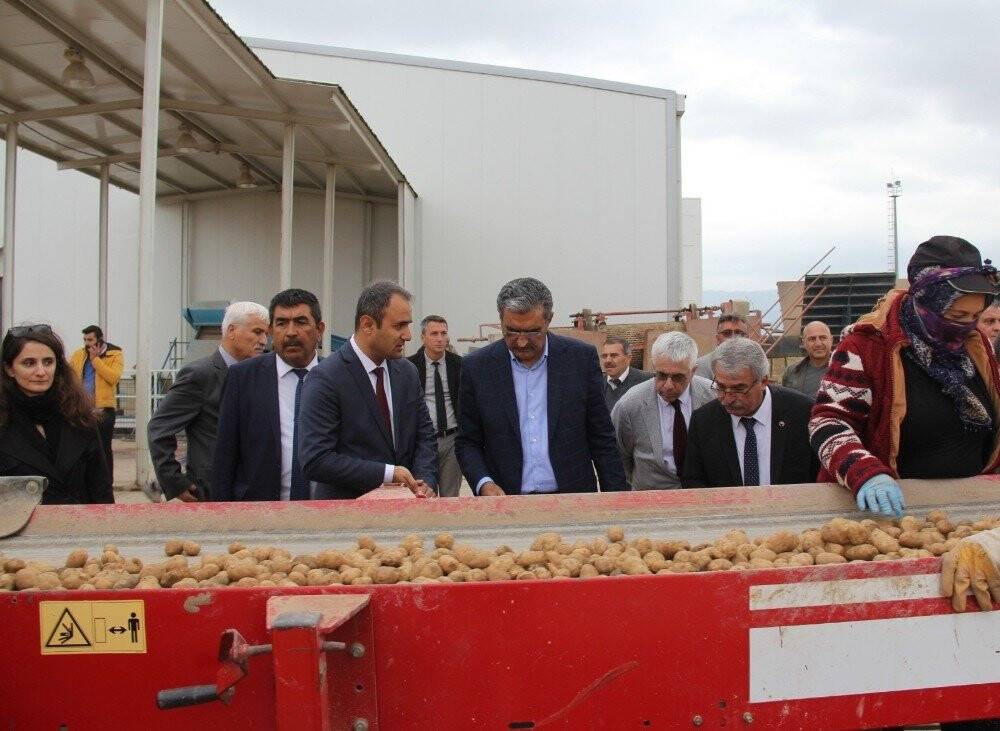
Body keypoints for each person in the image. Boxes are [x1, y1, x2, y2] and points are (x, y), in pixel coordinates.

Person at [810, 235, 1000, 518]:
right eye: (957, 315)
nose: (967, 326)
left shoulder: (976, 345)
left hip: (970, 507)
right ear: (926, 303)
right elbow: (828, 421)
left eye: (975, 316)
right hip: (888, 510)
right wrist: (865, 472)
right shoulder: (867, 347)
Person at [455, 277, 627, 495]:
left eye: (532, 331)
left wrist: (615, 499)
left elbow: (601, 436)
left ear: (549, 320)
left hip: (573, 498)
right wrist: (484, 483)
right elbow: (467, 442)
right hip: (505, 500)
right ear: (501, 320)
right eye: (512, 331)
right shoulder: (478, 368)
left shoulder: (579, 360)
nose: (521, 341)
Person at [299, 281, 437, 498]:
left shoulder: (407, 372)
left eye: (408, 325)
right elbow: (316, 459)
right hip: (349, 512)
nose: (408, 335)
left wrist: (424, 481)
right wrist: (388, 474)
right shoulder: (326, 378)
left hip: (406, 509)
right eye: (399, 326)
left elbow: (425, 435)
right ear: (367, 325)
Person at [213, 289, 330, 502]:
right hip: (258, 512)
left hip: (328, 511)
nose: (291, 332)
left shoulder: (338, 377)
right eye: (281, 323)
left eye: (301, 322)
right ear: (270, 331)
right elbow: (224, 455)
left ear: (319, 330)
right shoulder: (243, 378)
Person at [147, 301, 268, 502]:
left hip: (256, 491)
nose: (263, 340)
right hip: (214, 492)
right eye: (257, 332)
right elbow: (159, 428)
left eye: (265, 333)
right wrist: (174, 481)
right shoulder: (200, 375)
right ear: (231, 331)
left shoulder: (262, 375)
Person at [682, 337, 817, 488]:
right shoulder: (703, 421)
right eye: (721, 387)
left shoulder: (804, 413)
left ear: (763, 382)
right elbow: (694, 481)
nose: (727, 399)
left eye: (739, 389)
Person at [0, 324, 113, 504]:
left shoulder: (80, 417)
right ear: (9, 369)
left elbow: (101, 490)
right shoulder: (4, 422)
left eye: (48, 362)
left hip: (80, 521)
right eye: (29, 363)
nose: (41, 372)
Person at [610, 331, 713, 489]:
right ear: (653, 366)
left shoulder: (714, 397)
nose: (668, 385)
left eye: (678, 377)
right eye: (661, 375)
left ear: (693, 371)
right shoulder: (629, 405)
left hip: (705, 495)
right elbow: (620, 459)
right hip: (651, 498)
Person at [407, 315, 462, 496]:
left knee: (450, 496)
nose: (440, 338)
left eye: (443, 333)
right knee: (425, 493)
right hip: (423, 441)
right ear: (423, 337)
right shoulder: (409, 366)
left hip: (452, 439)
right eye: (434, 334)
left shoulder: (459, 365)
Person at [68, 325, 123, 481]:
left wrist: (96, 360)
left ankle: (106, 482)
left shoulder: (114, 354)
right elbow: (69, 376)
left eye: (90, 340)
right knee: (82, 446)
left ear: (99, 339)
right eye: (85, 340)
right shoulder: (78, 355)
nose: (87, 343)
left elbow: (113, 378)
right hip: (82, 408)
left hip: (104, 409)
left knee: (103, 447)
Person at [781, 320, 833, 399]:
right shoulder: (791, 372)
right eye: (812, 339)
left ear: (831, 340)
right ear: (804, 343)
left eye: (823, 338)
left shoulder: (845, 370)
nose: (818, 344)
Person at [601, 336, 653, 412]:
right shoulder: (596, 383)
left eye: (614, 355)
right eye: (604, 356)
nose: (608, 360)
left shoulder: (647, 381)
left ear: (628, 358)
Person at [693, 313, 748, 378]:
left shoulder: (756, 363)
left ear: (747, 338)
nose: (733, 338)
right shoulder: (701, 365)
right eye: (727, 333)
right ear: (718, 339)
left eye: (739, 333)